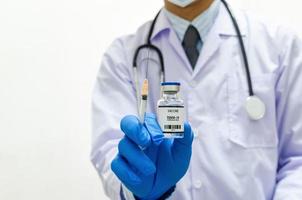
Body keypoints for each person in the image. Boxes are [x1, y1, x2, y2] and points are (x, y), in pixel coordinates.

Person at [91, 0, 302, 199]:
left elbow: (298, 158)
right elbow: (110, 152)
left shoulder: (279, 47)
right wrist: (136, 188)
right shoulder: (123, 58)